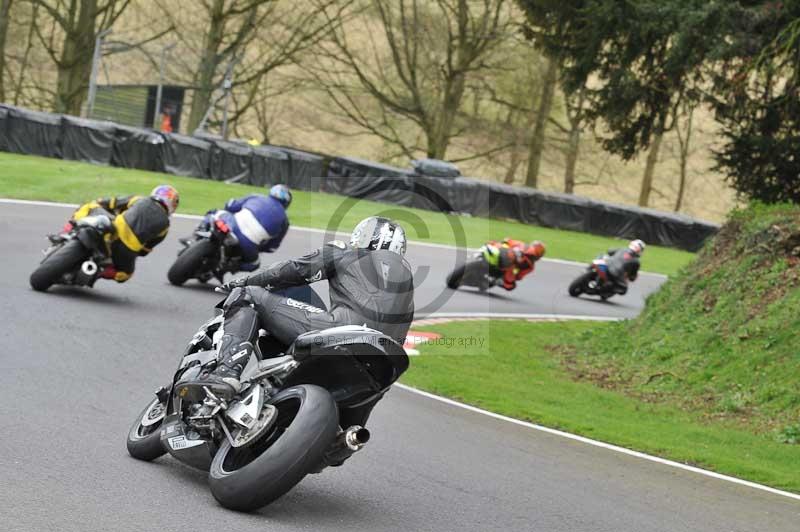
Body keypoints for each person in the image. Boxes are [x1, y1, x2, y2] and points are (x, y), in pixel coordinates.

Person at [180, 216, 415, 409]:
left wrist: (243, 281)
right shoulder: (407, 285)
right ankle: (343, 435)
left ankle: (225, 373)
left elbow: (292, 270)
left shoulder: (346, 252)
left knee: (249, 296)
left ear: (362, 236)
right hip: (381, 367)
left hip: (342, 333)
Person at [66, 185, 179, 282]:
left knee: (89, 206)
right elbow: (144, 251)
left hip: (112, 231)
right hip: (126, 251)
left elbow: (111, 202)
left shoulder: (139, 199)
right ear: (172, 205)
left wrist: (99, 204)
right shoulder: (165, 227)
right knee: (125, 274)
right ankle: (99, 271)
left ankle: (68, 230)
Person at [182, 184, 291, 273]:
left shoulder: (256, 197)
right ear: (286, 203)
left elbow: (230, 206)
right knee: (254, 264)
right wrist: (258, 248)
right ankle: (228, 267)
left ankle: (195, 236)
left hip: (231, 226)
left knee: (215, 212)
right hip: (248, 245)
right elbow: (272, 247)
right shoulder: (285, 222)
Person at [480, 238, 546, 291]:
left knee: (510, 284)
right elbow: (519, 277)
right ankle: (494, 280)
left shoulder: (522, 244)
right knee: (511, 285)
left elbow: (507, 240)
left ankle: (494, 280)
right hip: (502, 257)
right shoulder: (530, 266)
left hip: (506, 265)